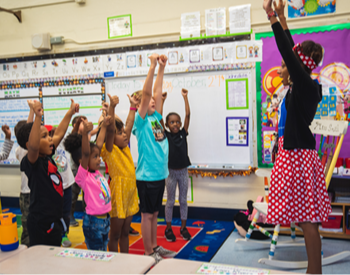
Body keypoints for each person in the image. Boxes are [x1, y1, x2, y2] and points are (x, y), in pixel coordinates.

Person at [263, 1, 331, 274]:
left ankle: (314, 271)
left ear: (300, 64)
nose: (284, 64)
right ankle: (313, 270)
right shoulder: (305, 85)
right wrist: (282, 16)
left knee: (308, 222)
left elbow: (287, 51)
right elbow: (292, 50)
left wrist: (271, 17)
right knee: (308, 220)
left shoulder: (305, 84)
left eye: (289, 62)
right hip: (298, 156)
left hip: (298, 158)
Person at [17, 99, 79, 247]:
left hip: (54, 222)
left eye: (48, 135)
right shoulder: (32, 162)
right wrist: (37, 117)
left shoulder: (48, 157)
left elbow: (60, 133)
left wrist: (70, 113)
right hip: (40, 224)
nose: (50, 138)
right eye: (44, 136)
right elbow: (33, 147)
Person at [132, 53, 176, 263]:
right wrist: (151, 66)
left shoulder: (156, 117)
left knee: (155, 214)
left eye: (153, 101)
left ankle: (155, 246)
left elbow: (157, 91)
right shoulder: (140, 121)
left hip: (159, 174)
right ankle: (148, 252)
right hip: (147, 177)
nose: (153, 101)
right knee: (147, 215)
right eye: (148, 100)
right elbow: (150, 90)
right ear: (141, 104)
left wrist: (162, 68)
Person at [96, 93, 139, 253]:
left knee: (125, 232)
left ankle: (125, 259)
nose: (125, 134)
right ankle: (114, 262)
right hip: (118, 194)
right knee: (114, 234)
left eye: (124, 133)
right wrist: (112, 108)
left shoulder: (125, 148)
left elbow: (129, 123)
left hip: (129, 194)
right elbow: (110, 130)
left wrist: (133, 107)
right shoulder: (110, 150)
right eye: (120, 133)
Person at [66, 119, 111, 251]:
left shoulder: (96, 172)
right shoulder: (83, 176)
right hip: (93, 223)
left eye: (98, 156)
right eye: (95, 157)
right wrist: (85, 133)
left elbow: (99, 144)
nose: (99, 159)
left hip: (104, 220)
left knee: (102, 252)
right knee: (96, 255)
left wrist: (103, 127)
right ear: (82, 161)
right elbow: (86, 153)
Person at [162, 88, 192, 242]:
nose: (175, 124)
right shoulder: (165, 135)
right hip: (171, 173)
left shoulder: (183, 133)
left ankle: (183, 227)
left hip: (183, 172)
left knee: (183, 200)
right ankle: (168, 228)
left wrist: (185, 98)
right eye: (172, 122)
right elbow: (158, 120)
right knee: (170, 201)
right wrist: (162, 101)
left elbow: (188, 115)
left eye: (177, 122)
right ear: (167, 125)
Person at [49, 127, 75, 247]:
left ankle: (64, 233)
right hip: (55, 188)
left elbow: (70, 135)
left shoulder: (62, 146)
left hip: (67, 184)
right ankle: (56, 233)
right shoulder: (47, 151)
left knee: (66, 212)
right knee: (56, 212)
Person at [14, 100, 35, 246]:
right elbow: (27, 134)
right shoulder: (21, 150)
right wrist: (32, 111)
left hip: (34, 191)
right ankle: (26, 247)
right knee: (27, 224)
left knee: (35, 222)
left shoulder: (31, 150)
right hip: (26, 193)